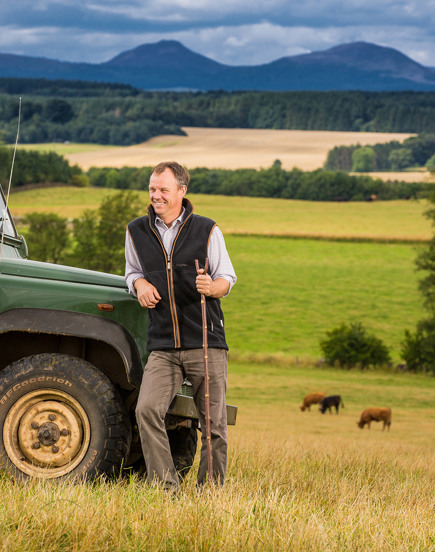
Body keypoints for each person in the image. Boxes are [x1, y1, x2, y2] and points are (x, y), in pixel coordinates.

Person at [125, 161, 236, 490]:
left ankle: (208, 495)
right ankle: (167, 489)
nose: (156, 196)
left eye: (163, 190)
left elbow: (227, 278)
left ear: (182, 192)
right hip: (162, 346)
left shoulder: (207, 229)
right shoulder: (136, 230)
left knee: (214, 425)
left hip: (205, 342)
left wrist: (212, 288)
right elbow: (132, 271)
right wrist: (139, 285)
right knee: (146, 411)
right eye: (152, 189)